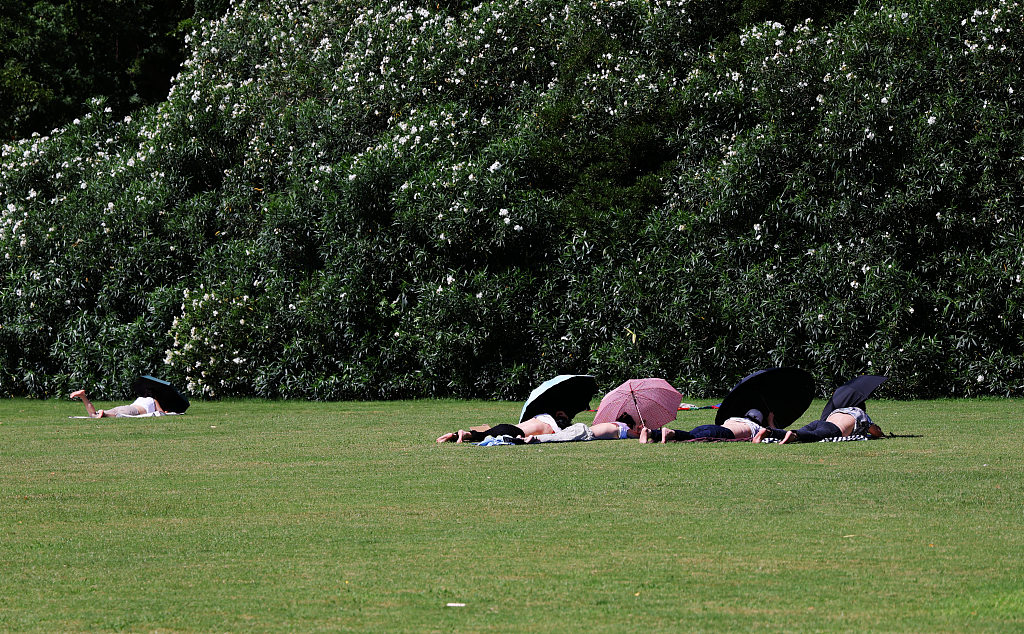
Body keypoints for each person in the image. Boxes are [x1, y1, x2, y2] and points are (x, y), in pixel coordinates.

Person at [752, 407, 884, 443]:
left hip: (820, 422)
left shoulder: (839, 410)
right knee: (813, 436)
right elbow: (875, 432)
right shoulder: (861, 415)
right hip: (833, 429)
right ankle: (794, 435)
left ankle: (770, 432)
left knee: (807, 432)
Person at [640, 409, 775, 443]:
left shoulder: (734, 418)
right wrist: (770, 420)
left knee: (690, 434)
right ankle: (670, 432)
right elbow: (772, 432)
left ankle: (651, 433)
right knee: (690, 437)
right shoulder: (755, 427)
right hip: (725, 434)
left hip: (714, 427)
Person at [436, 410, 572, 443]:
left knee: (482, 435)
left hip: (508, 427)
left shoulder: (542, 415)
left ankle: (456, 435)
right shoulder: (555, 431)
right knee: (481, 436)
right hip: (514, 432)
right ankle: (462, 434)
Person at [522, 413, 644, 443]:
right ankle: (530, 439)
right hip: (585, 432)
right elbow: (638, 436)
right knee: (558, 437)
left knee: (558, 436)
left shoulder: (618, 425)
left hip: (584, 431)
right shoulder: (624, 428)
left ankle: (529, 438)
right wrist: (642, 430)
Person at [71, 389, 165, 418]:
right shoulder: (153, 400)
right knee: (102, 416)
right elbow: (161, 413)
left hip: (126, 407)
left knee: (93, 415)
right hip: (134, 411)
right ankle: (103, 413)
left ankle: (83, 396)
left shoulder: (139, 398)